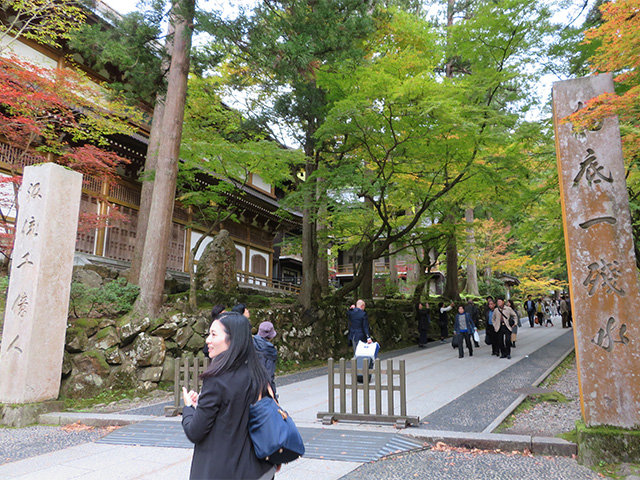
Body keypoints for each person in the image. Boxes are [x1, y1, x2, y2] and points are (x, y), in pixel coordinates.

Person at [182, 312, 276, 480]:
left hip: (222, 470)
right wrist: (201, 406)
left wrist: (189, 408)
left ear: (232, 339)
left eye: (213, 334)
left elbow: (195, 431)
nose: (207, 340)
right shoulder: (260, 375)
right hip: (258, 470)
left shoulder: (217, 379)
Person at [253, 321, 278, 392]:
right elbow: (269, 374)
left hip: (250, 385)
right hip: (264, 387)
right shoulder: (270, 350)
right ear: (271, 336)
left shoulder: (250, 343)